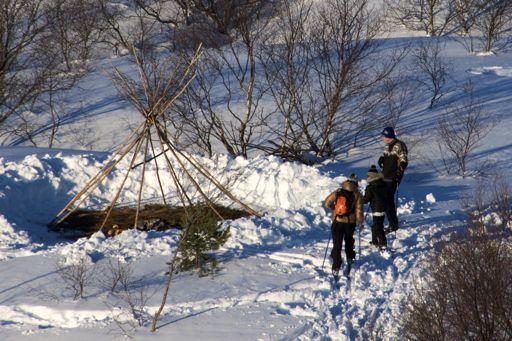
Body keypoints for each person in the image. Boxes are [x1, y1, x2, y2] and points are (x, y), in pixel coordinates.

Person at [323, 174, 363, 276]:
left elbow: (327, 203)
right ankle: (350, 258)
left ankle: (336, 266)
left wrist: (335, 209)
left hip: (337, 221)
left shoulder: (338, 191)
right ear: (356, 183)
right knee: (349, 240)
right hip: (350, 222)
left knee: (337, 244)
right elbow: (358, 211)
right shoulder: (357, 194)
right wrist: (360, 222)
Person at [378, 126, 408, 234]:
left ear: (388, 136)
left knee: (388, 200)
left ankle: (393, 225)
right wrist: (382, 160)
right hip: (385, 176)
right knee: (386, 201)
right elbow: (386, 160)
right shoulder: (387, 147)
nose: (383, 138)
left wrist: (399, 172)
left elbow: (404, 160)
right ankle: (392, 223)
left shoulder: (399, 145)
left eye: (384, 136)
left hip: (393, 178)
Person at [363, 165, 388, 249]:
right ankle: (376, 241)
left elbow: (366, 199)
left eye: (368, 176)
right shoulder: (383, 184)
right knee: (378, 225)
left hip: (376, 208)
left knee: (377, 226)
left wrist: (359, 200)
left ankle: (381, 242)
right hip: (384, 207)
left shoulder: (370, 187)